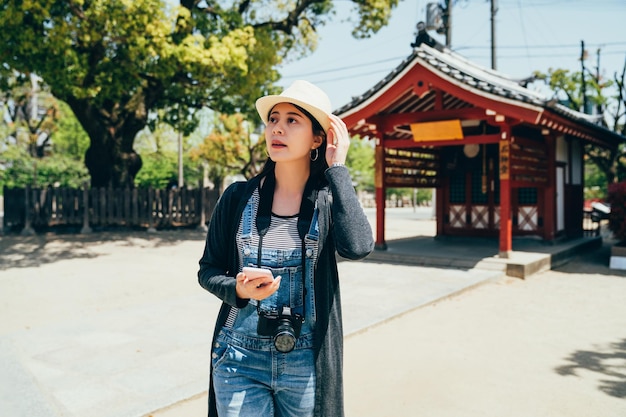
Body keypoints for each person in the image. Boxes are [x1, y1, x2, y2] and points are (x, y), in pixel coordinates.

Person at [198, 80, 374, 417]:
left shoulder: (327, 200)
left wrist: (337, 168)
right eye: (273, 119)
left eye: (293, 120)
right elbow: (207, 270)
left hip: (306, 360)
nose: (278, 128)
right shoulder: (237, 197)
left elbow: (358, 246)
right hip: (238, 357)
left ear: (318, 138)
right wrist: (237, 287)